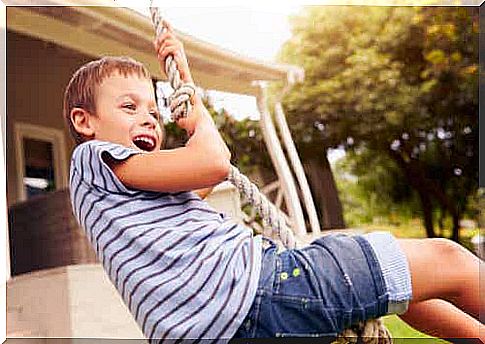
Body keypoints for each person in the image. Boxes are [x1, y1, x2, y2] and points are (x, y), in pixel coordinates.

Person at [65, 22, 484, 342]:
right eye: (128, 106)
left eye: (154, 111)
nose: (148, 117)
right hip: (259, 296)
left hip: (226, 326)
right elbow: (213, 161)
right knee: (450, 260)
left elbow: (197, 181)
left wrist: (186, 81)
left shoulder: (129, 202)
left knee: (405, 288)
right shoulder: (93, 158)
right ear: (84, 121)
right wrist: (194, 109)